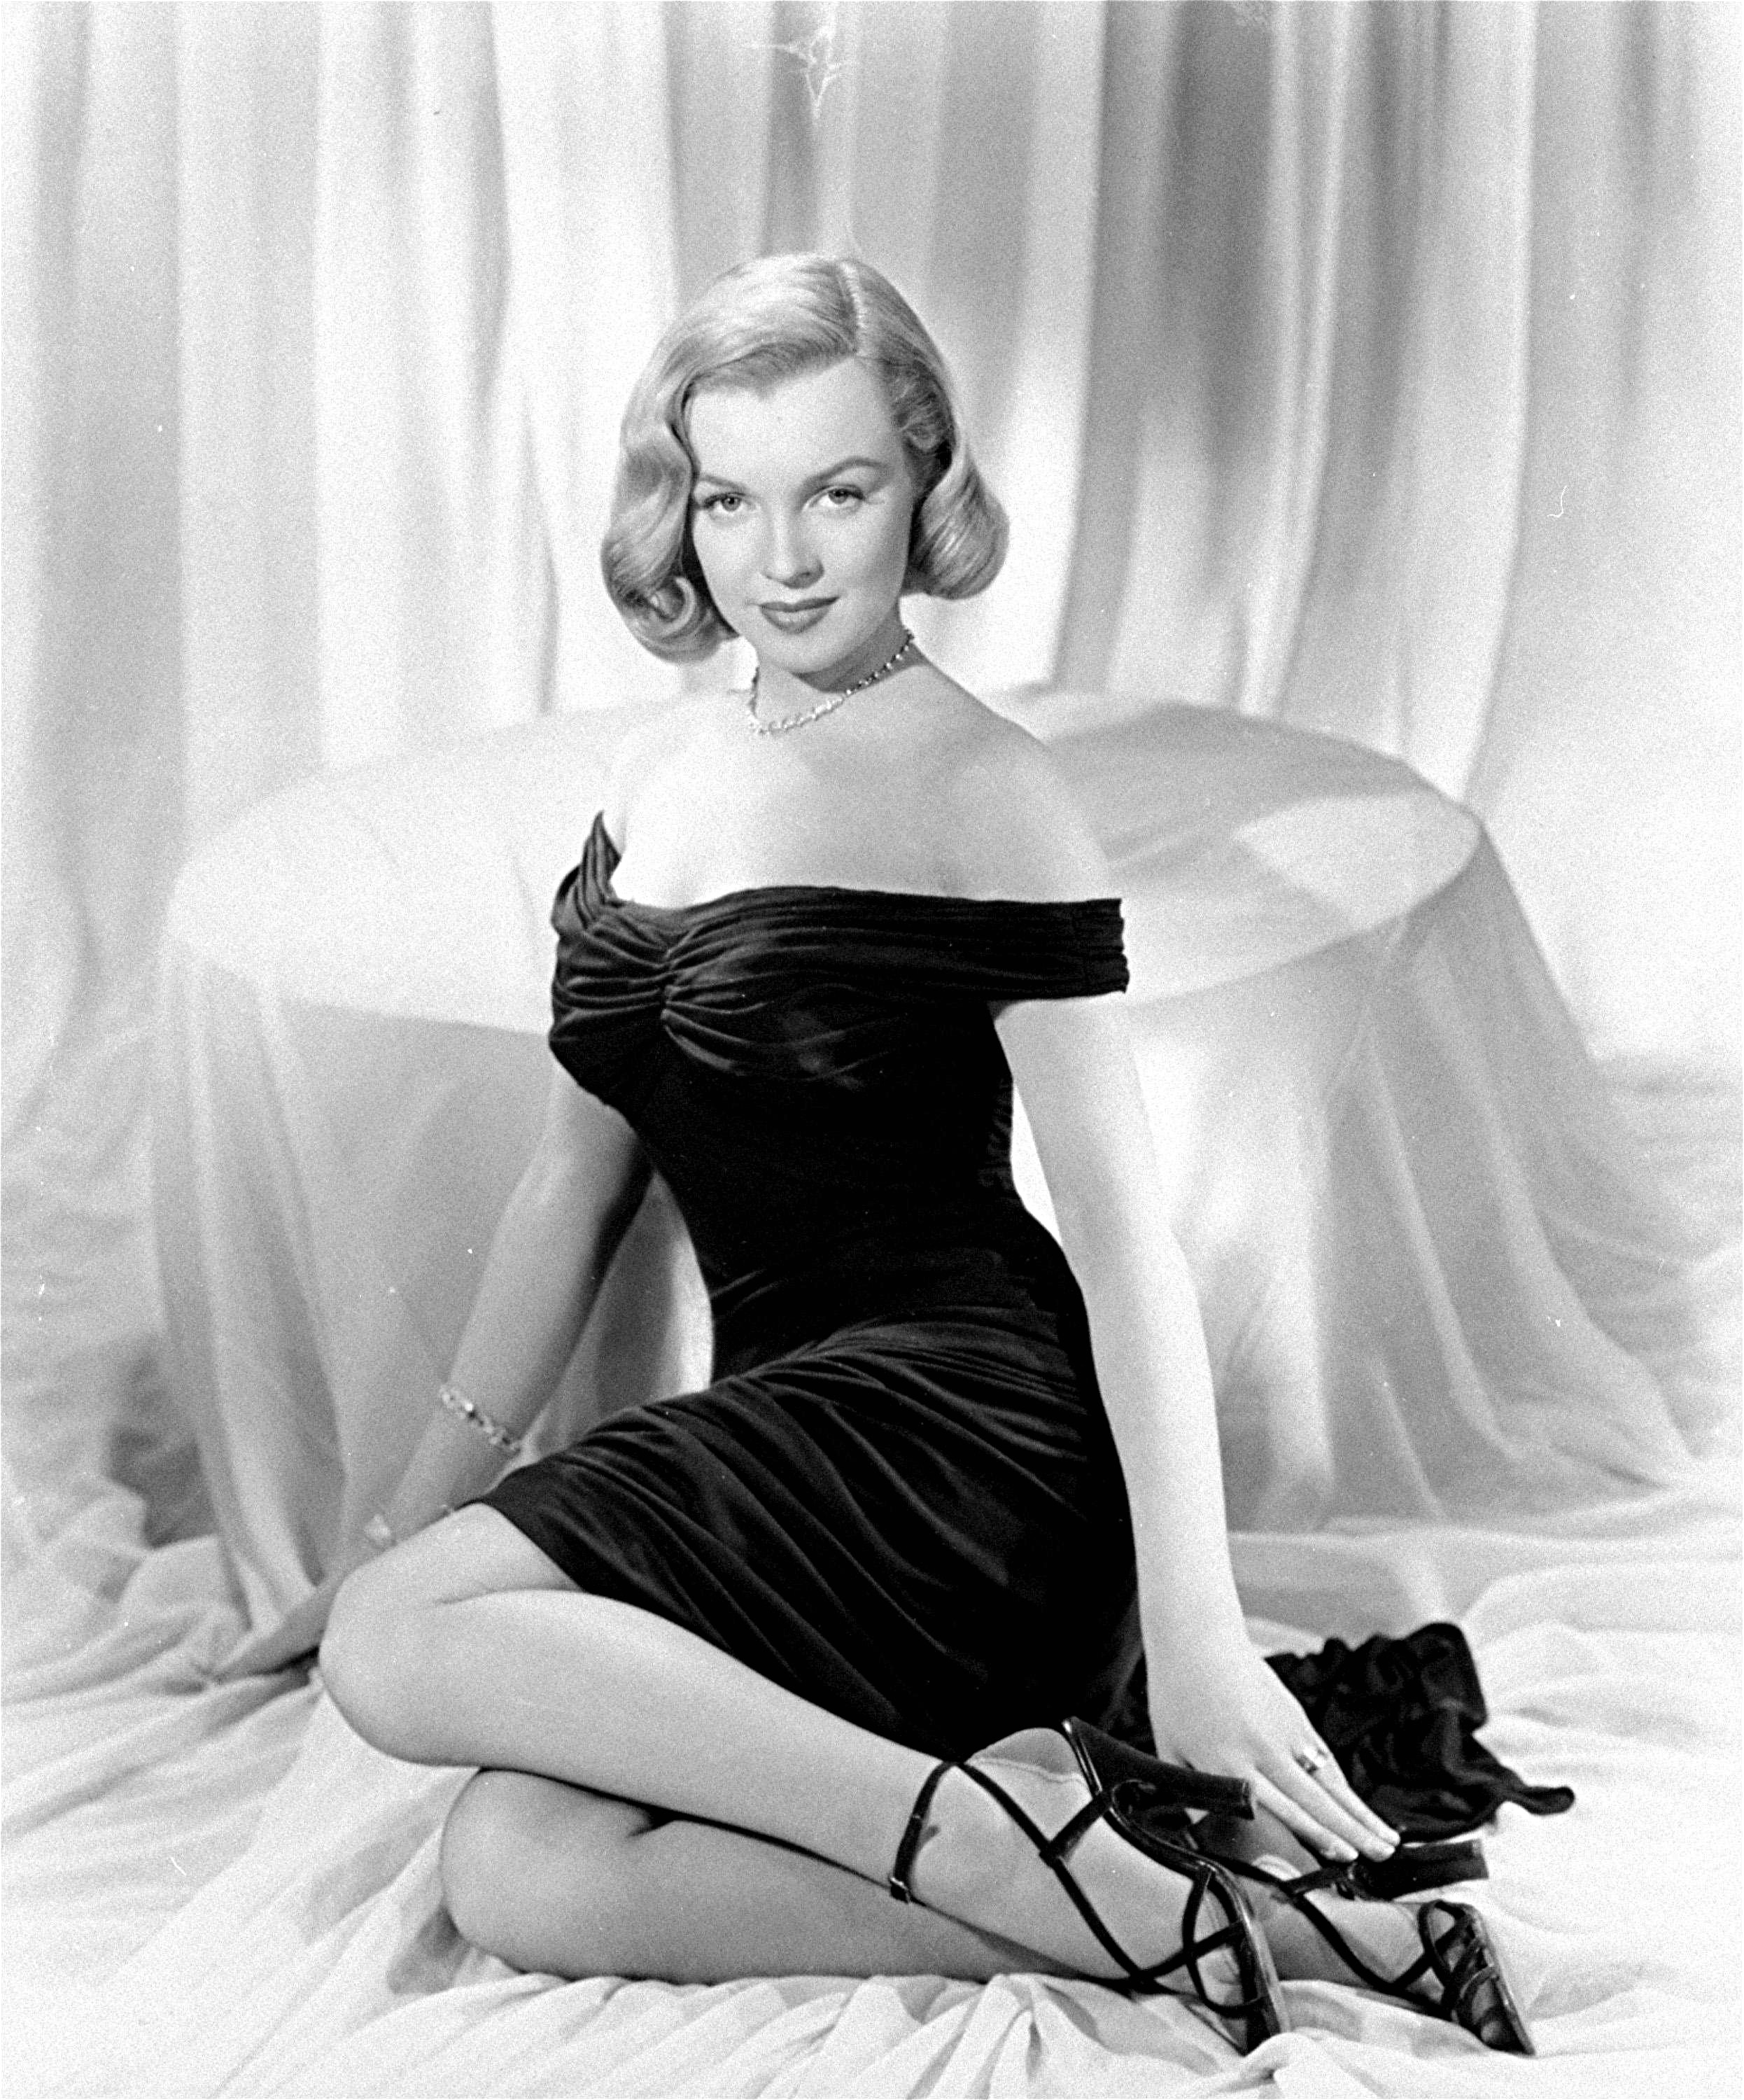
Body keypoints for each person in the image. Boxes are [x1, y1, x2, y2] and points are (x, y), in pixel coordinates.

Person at [221, 253, 1531, 2054]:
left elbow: (1128, 1242)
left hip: (973, 1447)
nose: (781, 559)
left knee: (399, 1648)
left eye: (836, 492)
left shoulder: (993, 796)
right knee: (516, 1865)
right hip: (789, 1447)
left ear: (923, 480)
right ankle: (1212, 1923)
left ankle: (984, 1840)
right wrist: (408, 1524)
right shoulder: (654, 775)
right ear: (681, 507)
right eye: (729, 500)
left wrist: (1198, 1630)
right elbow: (568, 1188)